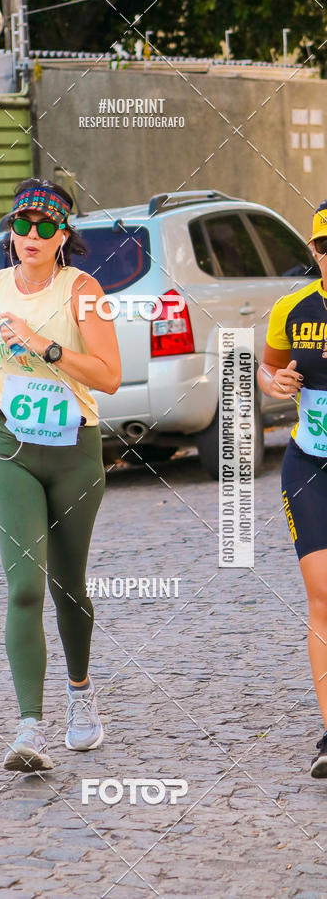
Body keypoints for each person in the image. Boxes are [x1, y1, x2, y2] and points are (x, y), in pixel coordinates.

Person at [0, 177, 121, 772]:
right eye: (22, 224)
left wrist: (48, 348)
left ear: (64, 234)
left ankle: (81, 693)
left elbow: (109, 375)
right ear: (10, 231)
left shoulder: (82, 290)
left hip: (74, 448)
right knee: (24, 587)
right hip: (9, 442)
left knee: (69, 586)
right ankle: (29, 729)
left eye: (45, 226)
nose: (32, 235)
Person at [258, 200, 327, 778]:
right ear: (314, 252)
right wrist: (276, 380)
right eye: (325, 249)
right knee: (323, 595)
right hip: (310, 461)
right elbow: (268, 369)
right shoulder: (292, 308)